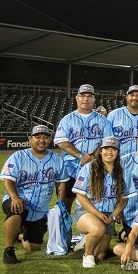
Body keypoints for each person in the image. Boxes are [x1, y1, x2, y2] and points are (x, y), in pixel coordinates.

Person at [0, 125, 68, 264]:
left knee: (33, 247)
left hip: (40, 208)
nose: (41, 140)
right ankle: (8, 250)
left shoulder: (56, 159)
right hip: (19, 200)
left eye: (45, 137)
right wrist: (14, 197)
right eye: (37, 137)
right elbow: (8, 179)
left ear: (50, 140)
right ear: (30, 139)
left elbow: (61, 182)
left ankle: (19, 235)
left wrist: (60, 202)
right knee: (17, 211)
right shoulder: (18, 156)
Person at [72, 137, 137, 268]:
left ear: (118, 152)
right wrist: (96, 213)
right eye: (106, 148)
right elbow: (80, 195)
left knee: (100, 256)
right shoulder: (89, 168)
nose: (109, 152)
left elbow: (125, 198)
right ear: (100, 151)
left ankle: (87, 241)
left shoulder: (124, 172)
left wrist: (113, 215)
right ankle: (87, 255)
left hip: (108, 215)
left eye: (113, 149)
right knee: (97, 229)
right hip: (86, 211)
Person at [54, 84, 113, 213]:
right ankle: (65, 232)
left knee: (96, 200)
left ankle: (94, 230)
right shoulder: (67, 119)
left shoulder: (103, 120)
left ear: (94, 100)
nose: (86, 99)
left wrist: (91, 157)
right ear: (77, 98)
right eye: (82, 96)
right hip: (70, 167)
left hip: (96, 167)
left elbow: (107, 142)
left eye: (89, 96)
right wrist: (81, 156)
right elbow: (61, 141)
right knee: (65, 203)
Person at [107, 85, 138, 155]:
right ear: (126, 97)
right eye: (132, 95)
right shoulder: (113, 115)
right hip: (119, 161)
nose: (135, 98)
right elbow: (107, 142)